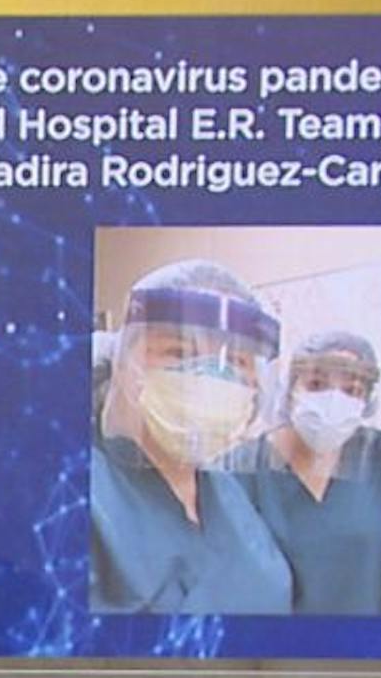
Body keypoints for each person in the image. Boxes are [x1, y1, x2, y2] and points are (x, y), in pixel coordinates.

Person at [90, 259, 292, 614]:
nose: (213, 379)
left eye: (238, 363)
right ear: (123, 360)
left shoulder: (224, 491)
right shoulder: (85, 498)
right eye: (179, 352)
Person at [238, 331, 381, 614]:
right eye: (316, 384)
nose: (333, 402)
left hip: (367, 649)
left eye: (351, 390)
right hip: (273, 650)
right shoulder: (243, 469)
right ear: (290, 390)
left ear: (367, 400)